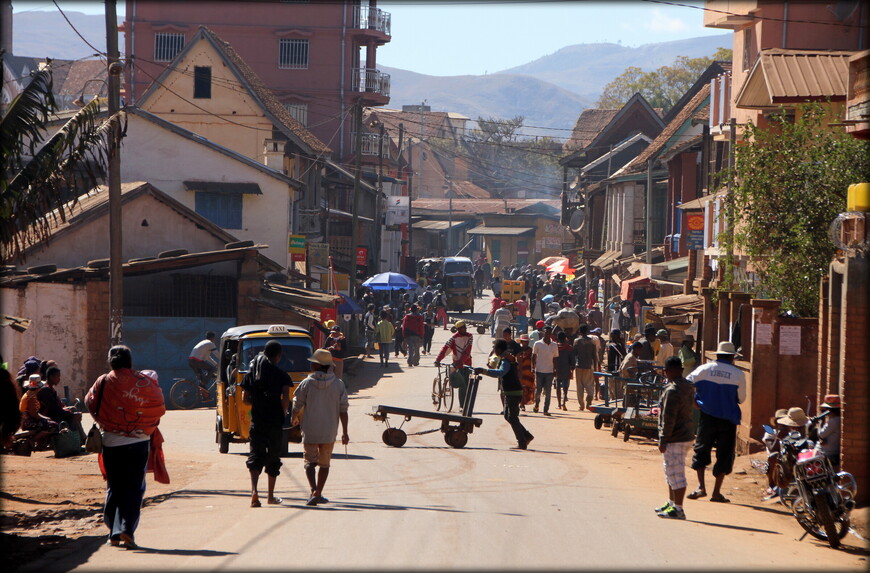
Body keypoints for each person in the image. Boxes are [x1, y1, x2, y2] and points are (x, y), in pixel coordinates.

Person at [85, 345, 165, 549]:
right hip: (139, 443)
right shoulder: (144, 382)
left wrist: (103, 420)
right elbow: (158, 406)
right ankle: (126, 529)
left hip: (111, 442)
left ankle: (113, 532)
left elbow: (89, 402)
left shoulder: (103, 381)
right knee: (134, 487)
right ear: (130, 361)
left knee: (115, 486)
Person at [686, 341, 747, 504]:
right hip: (728, 419)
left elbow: (686, 384)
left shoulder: (704, 369)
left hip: (707, 417)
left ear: (717, 355)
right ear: (732, 357)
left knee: (701, 450)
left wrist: (695, 403)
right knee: (724, 454)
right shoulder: (738, 374)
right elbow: (741, 399)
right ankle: (716, 492)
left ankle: (701, 487)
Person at [291, 349, 349, 506]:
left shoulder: (306, 383)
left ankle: (313, 489)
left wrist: (294, 418)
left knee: (309, 461)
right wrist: (345, 432)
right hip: (329, 431)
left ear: (315, 366)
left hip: (310, 429)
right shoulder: (339, 384)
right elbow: (343, 410)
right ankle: (318, 492)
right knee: (325, 463)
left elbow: (297, 405)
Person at [240, 339, 293, 508]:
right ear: (279, 355)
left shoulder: (251, 375)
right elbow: (286, 398)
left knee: (255, 456)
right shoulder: (282, 375)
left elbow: (245, 399)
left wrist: (257, 402)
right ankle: (270, 496)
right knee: (273, 458)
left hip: (257, 421)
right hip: (275, 423)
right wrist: (283, 412)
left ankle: (254, 492)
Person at [655, 356, 697, 520]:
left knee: (676, 472)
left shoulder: (672, 391)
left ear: (668, 372)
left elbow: (668, 418)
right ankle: (672, 503)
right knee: (670, 471)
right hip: (685, 433)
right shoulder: (687, 386)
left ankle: (678, 508)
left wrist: (663, 439)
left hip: (675, 437)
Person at [475, 339, 534, 450]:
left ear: (499, 349)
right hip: (510, 391)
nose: (494, 350)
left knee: (512, 417)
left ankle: (522, 442)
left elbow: (501, 372)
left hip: (513, 391)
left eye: (495, 348)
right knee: (508, 416)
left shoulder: (506, 360)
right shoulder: (506, 358)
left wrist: (484, 371)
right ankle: (526, 435)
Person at [37, 366, 86, 445]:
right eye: (57, 376)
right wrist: (70, 414)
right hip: (49, 416)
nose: (59, 379)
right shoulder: (45, 390)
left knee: (73, 409)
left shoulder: (51, 389)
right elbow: (54, 409)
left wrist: (70, 412)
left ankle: (81, 438)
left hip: (54, 412)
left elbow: (58, 406)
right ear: (50, 377)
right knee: (72, 416)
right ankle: (79, 439)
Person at [434, 321, 474, 407]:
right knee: (462, 385)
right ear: (458, 329)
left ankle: (465, 404)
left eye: (465, 327)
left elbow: (467, 352)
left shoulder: (469, 336)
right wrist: (438, 360)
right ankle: (463, 406)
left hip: (467, 363)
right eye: (462, 328)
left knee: (468, 385)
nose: (464, 329)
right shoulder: (453, 338)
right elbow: (444, 349)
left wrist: (461, 362)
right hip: (457, 364)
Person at [19, 374, 56, 445]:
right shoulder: (31, 397)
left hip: (28, 421)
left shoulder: (30, 394)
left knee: (49, 422)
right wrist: (46, 419)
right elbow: (33, 414)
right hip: (28, 423)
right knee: (53, 425)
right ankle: (33, 440)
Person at [531, 326, 558, 416]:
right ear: (543, 333)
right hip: (539, 371)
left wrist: (555, 369)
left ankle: (546, 409)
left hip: (549, 372)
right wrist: (532, 367)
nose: (547, 334)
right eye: (546, 332)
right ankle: (537, 404)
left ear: (551, 334)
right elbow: (533, 356)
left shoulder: (554, 345)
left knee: (548, 392)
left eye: (549, 333)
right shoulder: (537, 344)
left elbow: (555, 359)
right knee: (538, 391)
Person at [573, 323, 599, 411]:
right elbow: (594, 356)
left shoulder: (577, 341)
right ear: (587, 331)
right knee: (589, 385)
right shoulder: (592, 342)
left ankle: (581, 405)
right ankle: (590, 398)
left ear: (580, 331)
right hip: (588, 366)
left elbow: (574, 354)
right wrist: (595, 367)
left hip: (579, 365)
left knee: (579, 386)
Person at [815, 394, 841, 469]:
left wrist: (820, 422)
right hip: (832, 451)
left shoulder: (833, 421)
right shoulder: (837, 420)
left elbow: (821, 434)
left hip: (827, 453)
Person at [554, 331, 575, 411]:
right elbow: (572, 360)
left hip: (557, 369)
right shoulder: (569, 348)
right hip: (566, 369)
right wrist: (572, 367)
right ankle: (564, 403)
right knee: (565, 387)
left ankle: (559, 404)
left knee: (558, 387)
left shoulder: (555, 347)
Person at [515, 334, 536, 411]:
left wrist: (533, 370)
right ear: (521, 342)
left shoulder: (530, 350)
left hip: (528, 372)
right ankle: (520, 403)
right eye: (524, 341)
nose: (525, 343)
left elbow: (533, 360)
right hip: (520, 371)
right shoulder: (518, 350)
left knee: (527, 389)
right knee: (520, 388)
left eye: (527, 342)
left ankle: (523, 403)